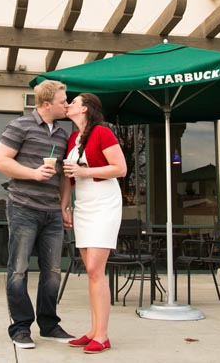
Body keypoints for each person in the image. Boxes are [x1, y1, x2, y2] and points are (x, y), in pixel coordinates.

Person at [0, 79, 75, 349]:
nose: (67, 104)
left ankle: (49, 325)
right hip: (23, 208)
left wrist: (64, 206)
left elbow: (64, 176)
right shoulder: (19, 126)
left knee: (52, 271)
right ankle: (20, 328)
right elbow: (1, 161)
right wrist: (34, 174)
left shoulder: (63, 135)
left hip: (51, 212)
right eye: (64, 101)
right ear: (47, 103)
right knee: (18, 270)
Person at [61, 92, 127, 355]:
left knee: (94, 269)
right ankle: (93, 331)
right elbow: (68, 176)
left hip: (104, 203)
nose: (68, 105)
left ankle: (103, 335)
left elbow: (120, 168)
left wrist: (85, 171)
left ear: (86, 108)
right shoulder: (73, 138)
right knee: (91, 272)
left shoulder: (103, 133)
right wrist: (64, 206)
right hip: (83, 205)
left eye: (74, 102)